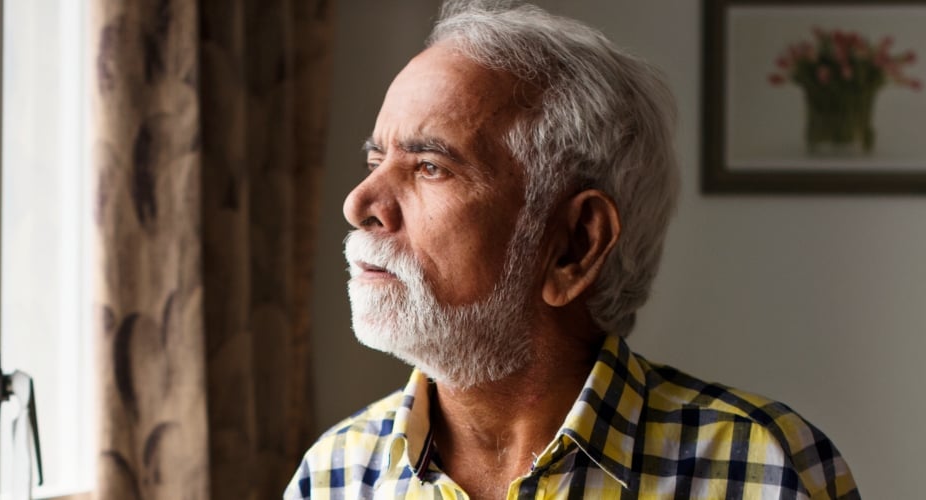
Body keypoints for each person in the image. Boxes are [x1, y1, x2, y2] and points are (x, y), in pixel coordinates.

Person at [285, 1, 859, 499]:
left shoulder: (763, 471)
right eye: (374, 160)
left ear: (575, 246)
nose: (359, 203)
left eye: (430, 167)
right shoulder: (333, 476)